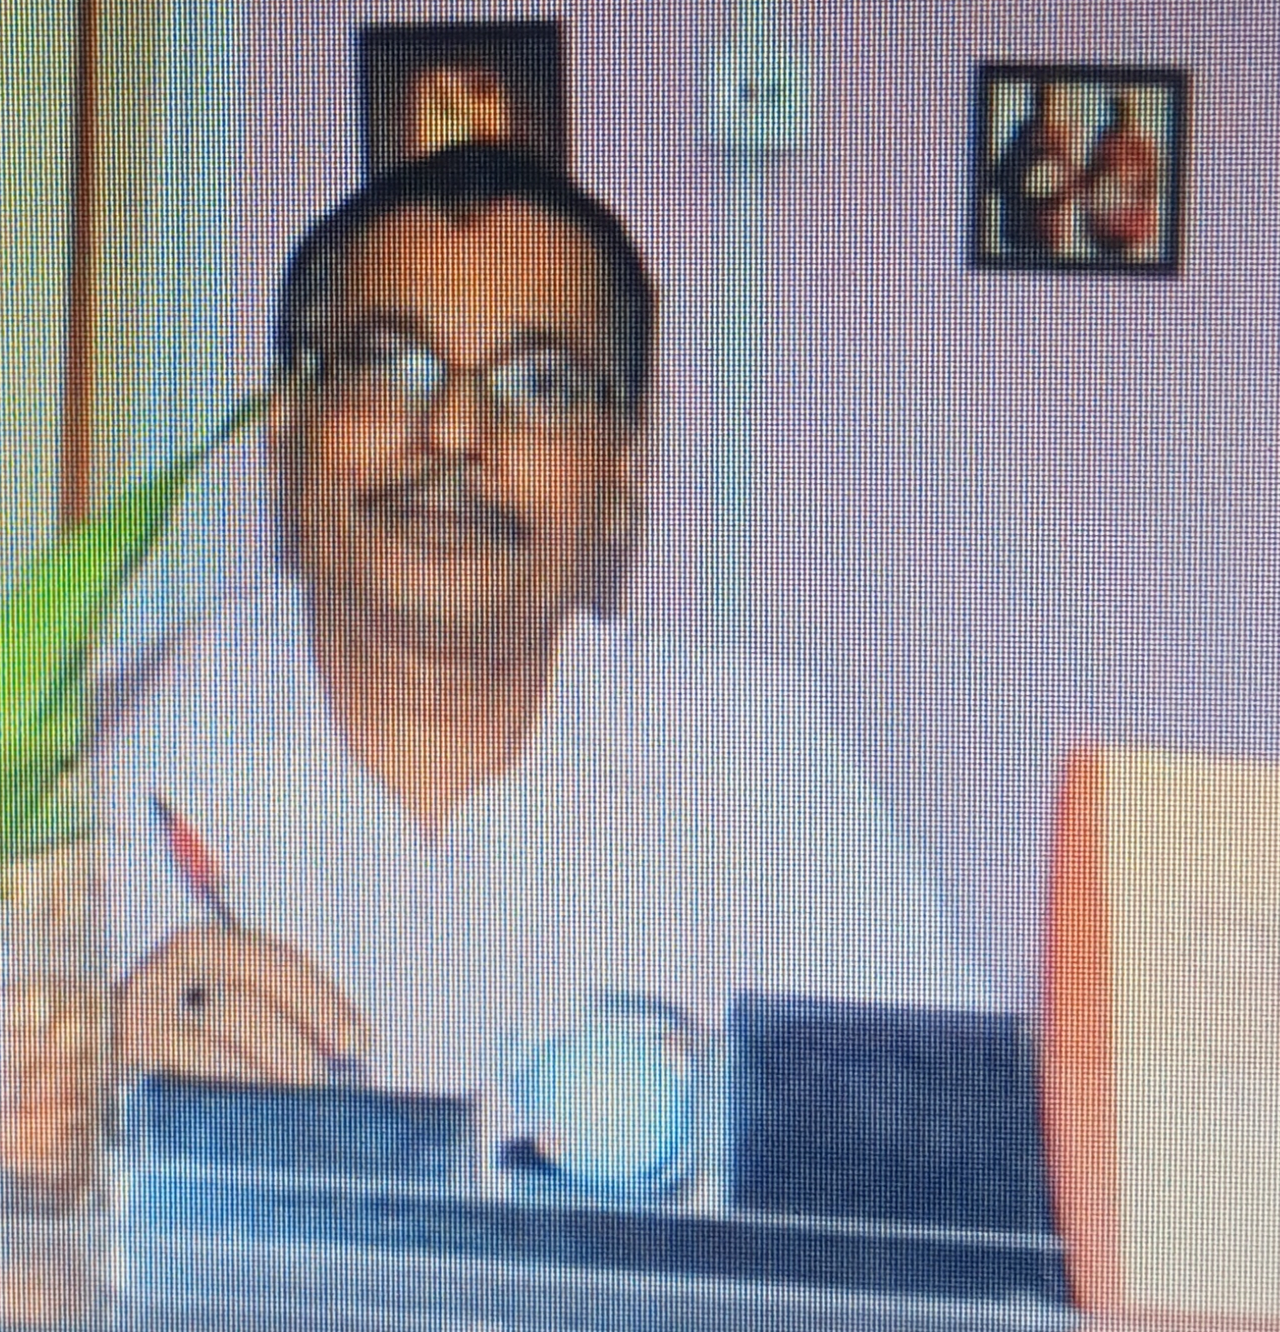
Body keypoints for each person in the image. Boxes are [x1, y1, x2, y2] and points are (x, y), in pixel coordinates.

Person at [97, 143, 988, 1108]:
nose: (453, 430)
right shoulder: (103, 747)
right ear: (285, 422)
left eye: (541, 383)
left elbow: (954, 1139)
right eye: (389, 364)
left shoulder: (758, 765)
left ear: (623, 468)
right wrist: (86, 1084)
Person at [989, 80, 1079, 260]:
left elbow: (1074, 183)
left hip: (1051, 231)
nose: (1046, 104)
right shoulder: (1024, 135)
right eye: (1042, 98)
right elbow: (1000, 177)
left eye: (1052, 99)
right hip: (1022, 229)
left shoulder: (1067, 138)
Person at [1080, 91, 1161, 261]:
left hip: (1130, 230)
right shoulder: (1105, 145)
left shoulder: (1139, 146)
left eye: (1124, 110)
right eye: (1119, 110)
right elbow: (1090, 183)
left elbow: (1151, 186)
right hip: (1108, 229)